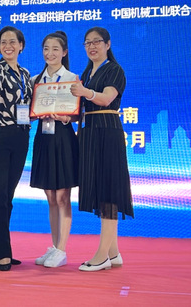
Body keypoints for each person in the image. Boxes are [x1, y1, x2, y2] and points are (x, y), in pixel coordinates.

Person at [70, 27, 133, 272]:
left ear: (108, 44)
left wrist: (85, 92)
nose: (92, 46)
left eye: (97, 42)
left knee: (108, 191)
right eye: (87, 43)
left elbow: (106, 98)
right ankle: (113, 253)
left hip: (107, 132)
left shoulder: (115, 69)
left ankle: (102, 256)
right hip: (90, 133)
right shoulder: (87, 72)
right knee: (100, 189)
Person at [0, 26, 33, 271]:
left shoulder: (26, 73)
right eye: (3, 42)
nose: (8, 46)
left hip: (21, 136)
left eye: (13, 41)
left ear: (21, 45)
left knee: (7, 197)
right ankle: (3, 253)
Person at [30, 31, 79, 268]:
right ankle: (54, 246)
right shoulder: (35, 80)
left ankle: (62, 249)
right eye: (46, 49)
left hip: (63, 138)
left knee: (62, 196)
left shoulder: (72, 78)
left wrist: (66, 117)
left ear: (64, 52)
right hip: (43, 137)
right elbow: (27, 110)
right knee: (50, 196)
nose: (50, 53)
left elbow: (79, 113)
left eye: (55, 49)